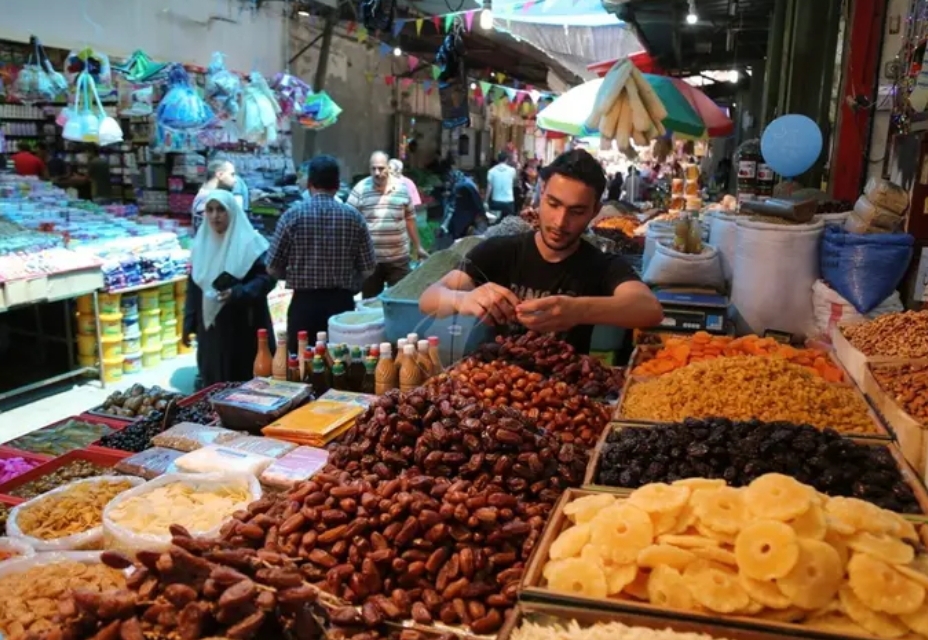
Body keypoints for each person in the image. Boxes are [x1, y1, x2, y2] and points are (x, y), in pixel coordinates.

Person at [419, 149, 663, 354]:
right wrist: (464, 299)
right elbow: (429, 299)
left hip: (564, 394)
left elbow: (649, 310)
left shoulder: (601, 265)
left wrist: (577, 310)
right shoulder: (501, 251)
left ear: (594, 211)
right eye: (553, 204)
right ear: (541, 194)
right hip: (495, 384)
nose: (560, 222)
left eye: (576, 212)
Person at [267, 155, 377, 355]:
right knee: (340, 364)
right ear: (337, 185)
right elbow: (369, 267)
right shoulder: (354, 217)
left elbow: (272, 267)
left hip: (303, 305)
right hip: (341, 306)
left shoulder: (292, 216)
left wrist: (293, 274)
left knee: (301, 364)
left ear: (309, 184)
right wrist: (352, 280)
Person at [182, 190, 276, 385]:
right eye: (210, 210)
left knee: (242, 381)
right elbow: (194, 285)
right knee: (213, 379)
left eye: (221, 210)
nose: (215, 216)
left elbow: (267, 278)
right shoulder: (202, 243)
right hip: (211, 328)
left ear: (232, 212)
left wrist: (238, 293)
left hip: (243, 325)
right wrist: (189, 322)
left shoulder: (251, 243)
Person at [347, 151, 424, 299]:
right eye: (373, 168)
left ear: (388, 167)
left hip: (399, 260)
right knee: (370, 303)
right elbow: (349, 221)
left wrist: (418, 246)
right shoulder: (360, 189)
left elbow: (410, 219)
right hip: (370, 261)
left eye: (381, 168)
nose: (377, 173)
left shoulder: (402, 190)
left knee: (399, 301)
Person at [435, 163, 484, 250]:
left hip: (461, 222)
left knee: (461, 244)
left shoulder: (461, 186)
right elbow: (478, 204)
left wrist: (444, 226)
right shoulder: (465, 184)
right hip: (466, 220)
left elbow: (451, 207)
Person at [192, 160, 238, 232]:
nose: (235, 180)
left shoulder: (204, 195)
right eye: (232, 174)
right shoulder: (210, 199)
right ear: (219, 174)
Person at [485, 152, 517, 219]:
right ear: (506, 160)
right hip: (508, 201)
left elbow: (489, 188)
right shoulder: (512, 170)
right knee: (509, 224)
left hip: (496, 201)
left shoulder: (491, 171)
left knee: (495, 223)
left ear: (498, 159)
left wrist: (486, 201)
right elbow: (513, 181)